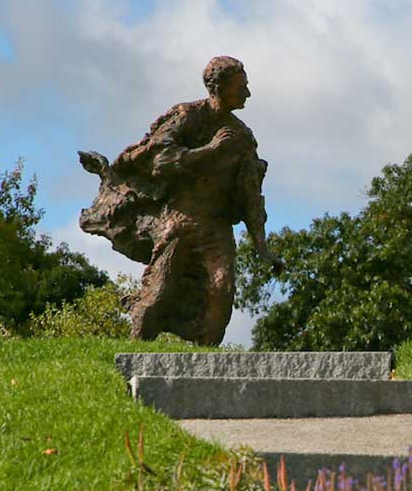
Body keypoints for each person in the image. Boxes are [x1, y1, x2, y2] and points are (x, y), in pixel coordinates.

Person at [79, 56, 282, 345]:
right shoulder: (187, 116)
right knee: (158, 292)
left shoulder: (243, 138)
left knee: (222, 291)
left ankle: (206, 361)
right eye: (241, 88)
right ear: (218, 88)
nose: (247, 94)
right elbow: (161, 161)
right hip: (178, 222)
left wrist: (262, 246)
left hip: (216, 229)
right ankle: (135, 352)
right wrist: (210, 150)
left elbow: (250, 194)